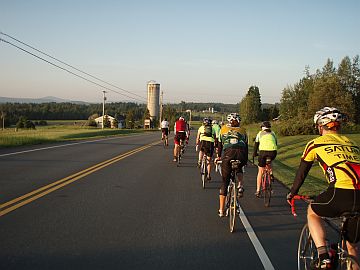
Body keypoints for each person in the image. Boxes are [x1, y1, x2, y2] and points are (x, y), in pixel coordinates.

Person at [286, 107, 360, 269]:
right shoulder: (352, 143)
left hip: (340, 192)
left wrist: (293, 193)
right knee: (352, 247)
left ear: (320, 127)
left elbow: (302, 172)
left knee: (312, 212)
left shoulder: (314, 144)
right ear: (338, 126)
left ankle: (323, 256)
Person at [215, 113, 248, 217]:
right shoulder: (243, 130)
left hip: (228, 155)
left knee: (225, 182)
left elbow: (220, 144)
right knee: (239, 167)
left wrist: (219, 157)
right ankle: (240, 185)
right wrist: (245, 161)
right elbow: (246, 147)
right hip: (241, 154)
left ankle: (221, 210)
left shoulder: (223, 129)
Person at [253, 121, 278, 197]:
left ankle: (258, 190)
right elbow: (275, 143)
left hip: (263, 152)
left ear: (262, 127)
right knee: (270, 161)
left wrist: (254, 153)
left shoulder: (260, 133)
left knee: (260, 170)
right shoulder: (273, 133)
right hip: (273, 152)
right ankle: (270, 172)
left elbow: (256, 144)